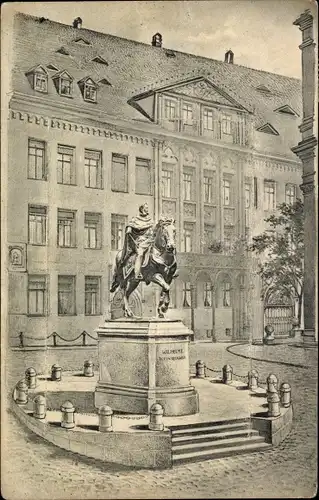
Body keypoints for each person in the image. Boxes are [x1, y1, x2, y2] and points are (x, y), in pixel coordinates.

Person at [120, 203, 155, 279]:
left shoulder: (150, 219)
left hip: (150, 240)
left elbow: (153, 228)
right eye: (146, 208)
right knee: (140, 254)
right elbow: (131, 224)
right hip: (140, 241)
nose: (147, 209)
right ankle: (137, 273)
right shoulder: (135, 219)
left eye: (148, 208)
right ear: (142, 209)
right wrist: (129, 229)